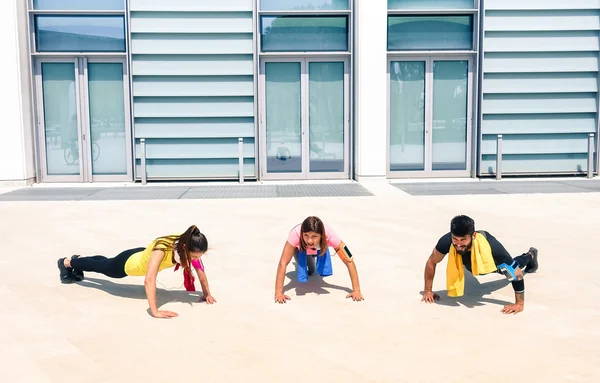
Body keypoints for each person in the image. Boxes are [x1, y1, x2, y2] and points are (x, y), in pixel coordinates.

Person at [56, 225, 216, 319]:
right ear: (186, 248)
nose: (196, 259)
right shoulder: (162, 250)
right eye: (194, 255)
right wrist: (155, 311)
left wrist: (207, 293)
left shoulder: (186, 244)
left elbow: (200, 271)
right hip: (128, 265)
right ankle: (67, 263)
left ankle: (80, 259)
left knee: (105, 262)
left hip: (139, 255)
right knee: (105, 267)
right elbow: (149, 279)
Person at [422, 215, 539, 315]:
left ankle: (530, 255)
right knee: (472, 266)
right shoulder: (447, 241)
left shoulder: (493, 246)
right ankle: (530, 255)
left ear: (473, 236)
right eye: (455, 239)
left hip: (486, 257)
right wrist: (428, 290)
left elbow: (516, 273)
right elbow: (431, 261)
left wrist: (519, 304)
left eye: (463, 239)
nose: (458, 244)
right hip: (469, 262)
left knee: (507, 269)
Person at [274, 216, 364, 304]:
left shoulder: (331, 236)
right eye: (306, 235)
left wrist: (356, 290)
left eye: (314, 236)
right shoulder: (295, 234)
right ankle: (310, 258)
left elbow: (349, 260)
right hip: (300, 248)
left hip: (321, 248)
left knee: (312, 269)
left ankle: (313, 255)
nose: (309, 240)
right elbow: (283, 262)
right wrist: (278, 293)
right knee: (311, 271)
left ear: (321, 235)